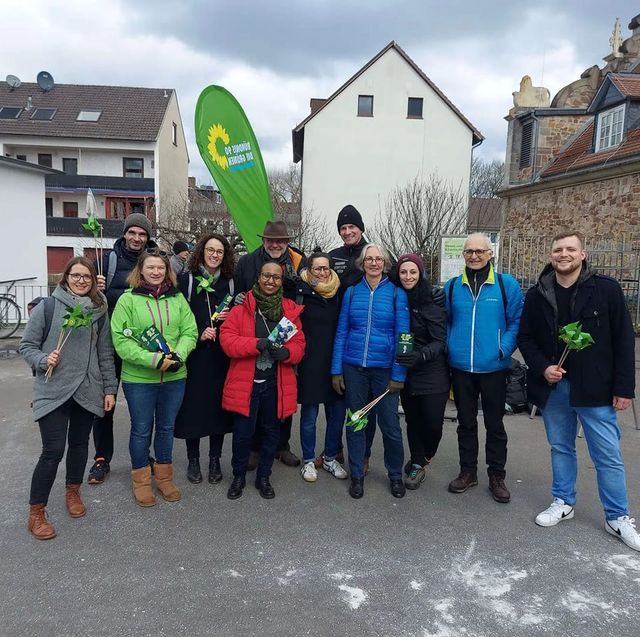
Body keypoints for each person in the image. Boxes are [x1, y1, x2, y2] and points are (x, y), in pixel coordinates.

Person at [517, 231, 640, 551]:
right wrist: (543, 366)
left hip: (596, 388)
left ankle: (618, 516)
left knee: (608, 454)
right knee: (561, 447)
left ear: (583, 254)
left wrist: (624, 387)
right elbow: (526, 338)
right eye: (558, 249)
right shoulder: (536, 294)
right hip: (555, 387)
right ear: (551, 256)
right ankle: (563, 501)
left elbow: (625, 340)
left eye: (570, 249)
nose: (563, 254)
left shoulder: (607, 290)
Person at [20, 257, 117, 540]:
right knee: (52, 451)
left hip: (87, 388)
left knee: (78, 445)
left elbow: (105, 353)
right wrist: (42, 358)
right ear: (66, 277)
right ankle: (36, 512)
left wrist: (109, 389)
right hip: (53, 387)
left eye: (87, 276)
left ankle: (72, 491)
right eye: (76, 275)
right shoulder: (48, 307)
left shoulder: (99, 310)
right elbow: (27, 345)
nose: (81, 281)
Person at [111, 250, 197, 507]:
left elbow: (189, 331)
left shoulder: (178, 298)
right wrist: (153, 360)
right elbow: (120, 340)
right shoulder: (128, 300)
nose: (156, 272)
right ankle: (141, 481)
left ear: (167, 270)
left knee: (167, 428)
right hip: (139, 379)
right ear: (141, 270)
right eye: (151, 267)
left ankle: (164, 478)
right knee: (141, 430)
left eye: (161, 267)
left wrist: (177, 355)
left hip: (174, 377)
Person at [444, 233, 523, 503]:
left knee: (495, 424)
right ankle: (468, 472)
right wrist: (450, 348)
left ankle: (496, 475)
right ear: (463, 255)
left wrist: (503, 349)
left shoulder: (505, 285)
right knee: (465, 423)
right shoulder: (453, 287)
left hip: (494, 368)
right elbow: (445, 323)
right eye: (469, 252)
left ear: (491, 254)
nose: (474, 256)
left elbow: (516, 323)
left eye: (480, 251)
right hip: (461, 367)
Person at [220, 261, 305, 500]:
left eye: (276, 277)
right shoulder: (242, 308)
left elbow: (300, 344)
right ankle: (238, 476)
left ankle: (264, 476)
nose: (271, 281)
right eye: (266, 276)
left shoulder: (289, 310)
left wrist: (288, 354)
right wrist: (255, 344)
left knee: (271, 433)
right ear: (259, 278)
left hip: (275, 383)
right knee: (243, 433)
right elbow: (227, 340)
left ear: (281, 281)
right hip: (246, 382)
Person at [331, 244, 410, 499]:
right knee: (356, 422)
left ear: (385, 263)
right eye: (369, 259)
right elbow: (342, 331)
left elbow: (404, 337)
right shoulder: (352, 293)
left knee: (390, 426)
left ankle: (395, 474)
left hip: (385, 372)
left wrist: (399, 375)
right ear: (362, 263)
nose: (374, 263)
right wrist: (336, 370)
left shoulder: (397, 294)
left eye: (378, 259)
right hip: (353, 368)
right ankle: (357, 474)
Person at [89, 212, 155, 485]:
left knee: (144, 405)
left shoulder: (154, 263)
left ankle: (143, 454)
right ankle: (102, 457)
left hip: (142, 344)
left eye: (142, 234)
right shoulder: (105, 261)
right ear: (124, 234)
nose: (137, 238)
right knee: (106, 403)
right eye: (133, 233)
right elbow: (82, 297)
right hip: (109, 343)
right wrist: (96, 288)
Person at [234, 219, 306, 467]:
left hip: (288, 330)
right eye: (271, 240)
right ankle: (255, 447)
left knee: (285, 391)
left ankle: (281, 445)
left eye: (281, 241)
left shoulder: (299, 263)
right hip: (257, 332)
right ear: (263, 240)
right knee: (254, 395)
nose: (276, 244)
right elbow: (238, 295)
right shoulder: (246, 262)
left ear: (287, 243)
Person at [174, 233, 234, 485]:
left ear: (225, 255)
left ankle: (214, 460)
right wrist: (200, 332)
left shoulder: (231, 283)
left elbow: (240, 317)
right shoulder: (186, 280)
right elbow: (177, 318)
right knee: (194, 411)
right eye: (210, 250)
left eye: (219, 251)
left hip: (221, 357)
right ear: (202, 250)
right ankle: (194, 461)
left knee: (218, 412)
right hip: (195, 356)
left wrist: (229, 319)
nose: (214, 255)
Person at [326, 204, 376, 471]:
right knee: (336, 398)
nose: (347, 232)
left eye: (351, 227)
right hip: (334, 332)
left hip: (363, 337)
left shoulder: (372, 254)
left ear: (361, 228)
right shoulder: (333, 256)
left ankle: (364, 453)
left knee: (363, 402)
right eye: (343, 228)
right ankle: (335, 449)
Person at [394, 254, 450, 490]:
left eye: (413, 272)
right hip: (407, 369)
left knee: (433, 422)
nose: (408, 277)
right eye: (403, 272)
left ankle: (426, 455)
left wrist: (422, 355)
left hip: (432, 370)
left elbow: (440, 340)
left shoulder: (431, 300)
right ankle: (417, 463)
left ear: (421, 274)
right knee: (413, 419)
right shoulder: (396, 297)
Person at [295, 252, 348, 483]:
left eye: (326, 268)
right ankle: (308, 460)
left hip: (335, 362)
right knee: (309, 415)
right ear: (309, 270)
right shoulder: (300, 292)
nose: (323, 273)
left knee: (336, 414)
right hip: (309, 364)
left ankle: (328, 457)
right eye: (318, 269)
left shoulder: (339, 292)